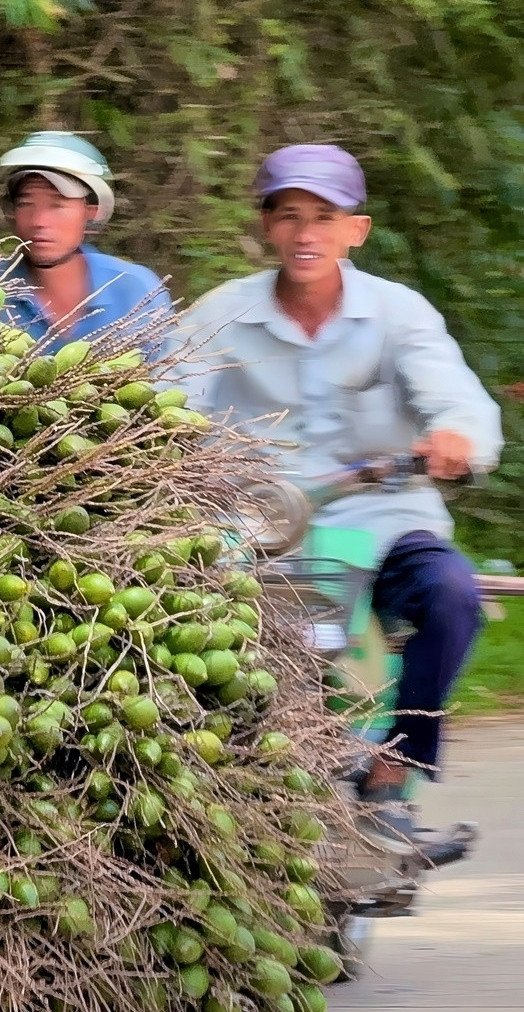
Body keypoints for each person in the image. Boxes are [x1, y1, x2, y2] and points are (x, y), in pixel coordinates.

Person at [177, 143, 501, 848]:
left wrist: (456, 435)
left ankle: (395, 769)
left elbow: (458, 400)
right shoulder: (222, 314)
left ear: (357, 229)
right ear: (265, 225)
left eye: (325, 217)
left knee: (451, 595)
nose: (306, 234)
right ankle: (253, 791)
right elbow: (168, 404)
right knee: (237, 655)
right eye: (289, 215)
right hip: (268, 531)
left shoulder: (397, 314)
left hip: (385, 521)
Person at [0, 131, 172, 350]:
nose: (39, 221)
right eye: (26, 204)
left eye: (57, 205)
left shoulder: (137, 291)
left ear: (91, 211)